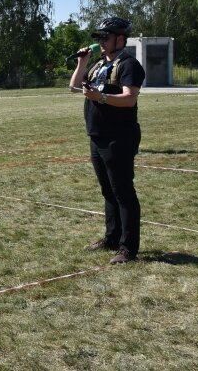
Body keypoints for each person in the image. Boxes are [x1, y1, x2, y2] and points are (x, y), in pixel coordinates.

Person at [69, 17, 146, 264]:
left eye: (105, 37)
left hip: (119, 137)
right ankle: (112, 238)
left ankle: (128, 248)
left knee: (123, 191)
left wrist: (101, 97)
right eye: (99, 38)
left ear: (120, 39)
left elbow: (129, 99)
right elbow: (74, 86)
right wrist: (82, 63)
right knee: (108, 191)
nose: (101, 42)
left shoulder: (129, 65)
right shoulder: (99, 64)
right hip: (97, 135)